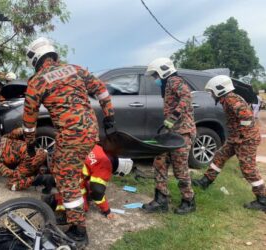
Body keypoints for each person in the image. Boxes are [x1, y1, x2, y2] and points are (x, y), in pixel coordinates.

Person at [23, 37, 115, 246]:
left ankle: (78, 229)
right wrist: (109, 115)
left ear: (35, 58)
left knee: (67, 177)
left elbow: (29, 118)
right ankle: (66, 208)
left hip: (72, 134)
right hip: (90, 130)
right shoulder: (75, 69)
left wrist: (30, 143)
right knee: (57, 163)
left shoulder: (37, 81)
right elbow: (101, 89)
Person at [193, 75, 266, 211]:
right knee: (220, 156)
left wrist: (240, 138)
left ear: (219, 89)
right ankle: (205, 181)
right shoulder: (226, 99)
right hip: (236, 138)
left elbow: (248, 119)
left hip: (246, 140)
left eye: (212, 92)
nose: (211, 95)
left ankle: (262, 200)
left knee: (248, 169)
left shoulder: (233, 100)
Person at [142, 58, 196, 215]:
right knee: (159, 162)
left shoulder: (174, 80)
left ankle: (188, 201)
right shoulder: (167, 85)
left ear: (163, 71)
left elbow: (186, 97)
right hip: (171, 132)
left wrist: (173, 117)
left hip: (183, 132)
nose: (155, 79)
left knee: (180, 168)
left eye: (155, 75)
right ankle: (161, 200)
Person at [44, 144, 133, 221]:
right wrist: (107, 210)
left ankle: (48, 183)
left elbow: (88, 176)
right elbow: (97, 192)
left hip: (61, 161)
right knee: (82, 206)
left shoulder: (100, 149)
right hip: (68, 172)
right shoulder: (106, 166)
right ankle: (60, 210)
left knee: (81, 187)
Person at [0, 127, 53, 191]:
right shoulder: (4, 138)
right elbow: (18, 131)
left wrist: (20, 175)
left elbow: (11, 174)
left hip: (30, 159)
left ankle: (43, 179)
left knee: (11, 184)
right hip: (39, 150)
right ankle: (44, 171)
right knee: (25, 169)